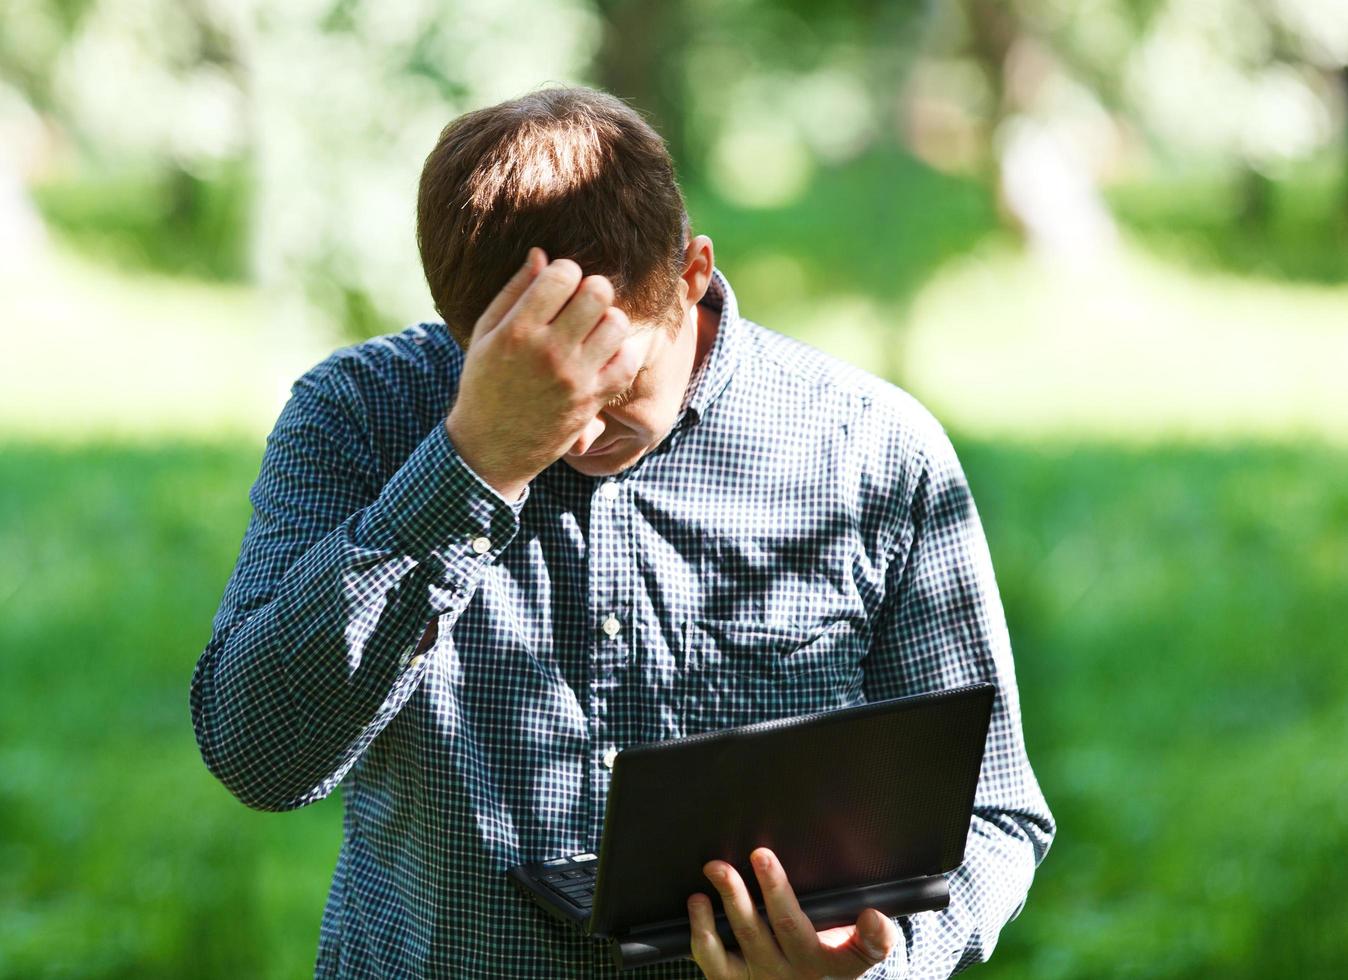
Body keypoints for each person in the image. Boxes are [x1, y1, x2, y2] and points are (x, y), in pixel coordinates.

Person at [189, 84, 1055, 979]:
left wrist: (880, 961)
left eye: (610, 379)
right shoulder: (359, 418)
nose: (572, 429)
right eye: (530, 380)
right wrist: (473, 462)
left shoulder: (871, 451)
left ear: (689, 275)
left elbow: (994, 815)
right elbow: (261, 757)